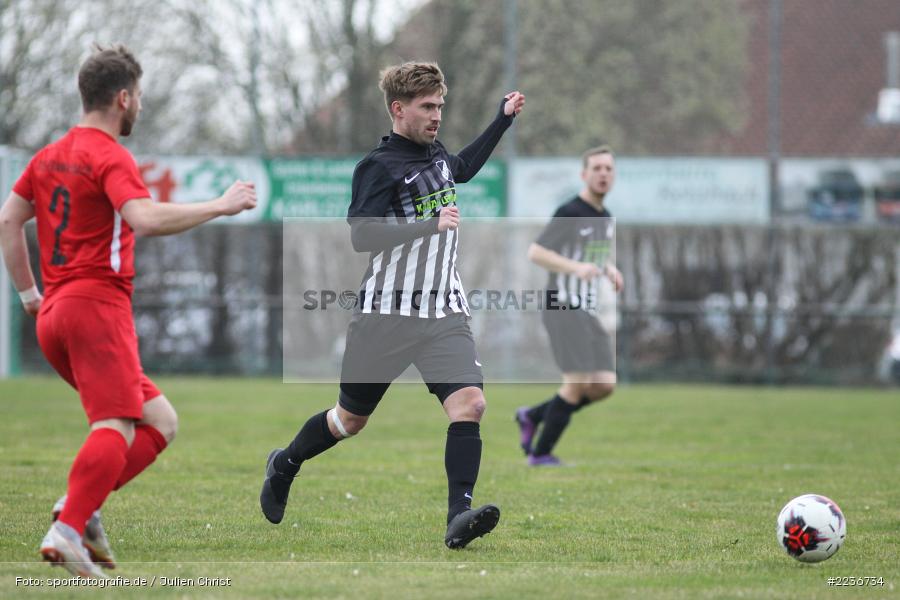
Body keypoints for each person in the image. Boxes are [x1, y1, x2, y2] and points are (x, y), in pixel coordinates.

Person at [0, 44, 257, 578]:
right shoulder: (109, 154)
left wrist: (28, 296)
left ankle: (82, 508)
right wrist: (218, 205)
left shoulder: (49, 156)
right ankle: (68, 529)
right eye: (139, 95)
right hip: (96, 307)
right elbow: (142, 218)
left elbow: (8, 221)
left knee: (160, 420)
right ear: (123, 98)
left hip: (54, 316)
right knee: (114, 422)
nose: (139, 104)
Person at [260, 62, 524, 549]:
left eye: (440, 106)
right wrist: (428, 225)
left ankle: (457, 519)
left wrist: (501, 120)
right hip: (385, 315)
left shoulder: (438, 154)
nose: (436, 115)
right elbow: (361, 236)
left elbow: (461, 168)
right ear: (398, 109)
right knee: (348, 421)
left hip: (443, 312)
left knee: (471, 403)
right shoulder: (378, 168)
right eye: (427, 107)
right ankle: (286, 463)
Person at [515, 145, 623, 466]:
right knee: (575, 384)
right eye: (597, 168)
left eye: (608, 168)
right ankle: (540, 454)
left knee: (604, 384)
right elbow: (536, 253)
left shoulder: (605, 216)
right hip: (563, 305)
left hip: (586, 308)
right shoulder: (570, 212)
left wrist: (610, 269)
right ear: (584, 174)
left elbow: (594, 256)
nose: (603, 174)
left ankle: (532, 415)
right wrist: (575, 269)